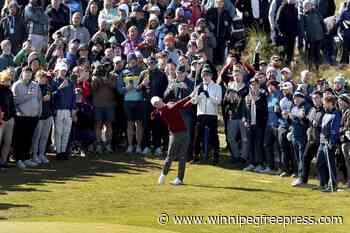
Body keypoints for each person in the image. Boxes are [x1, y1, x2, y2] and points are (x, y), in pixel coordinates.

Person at [153, 95, 192, 186]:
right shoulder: (162, 111)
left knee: (182, 157)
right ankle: (163, 175)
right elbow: (177, 105)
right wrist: (189, 97)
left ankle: (179, 179)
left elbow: (182, 106)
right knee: (170, 156)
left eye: (158, 101)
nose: (158, 104)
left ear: (161, 100)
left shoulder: (169, 104)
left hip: (184, 133)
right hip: (175, 135)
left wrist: (192, 101)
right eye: (156, 104)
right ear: (155, 106)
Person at [12, 66, 42, 169]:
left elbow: (39, 100)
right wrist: (27, 96)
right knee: (20, 139)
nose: (28, 74)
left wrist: (39, 113)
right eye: (26, 72)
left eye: (30, 73)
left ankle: (26, 158)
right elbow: (15, 102)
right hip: (21, 117)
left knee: (29, 139)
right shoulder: (16, 85)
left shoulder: (35, 85)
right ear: (22, 73)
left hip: (33, 117)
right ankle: (18, 159)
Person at [192, 65, 222, 165]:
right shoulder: (198, 87)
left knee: (214, 136)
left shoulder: (217, 87)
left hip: (212, 114)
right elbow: (193, 101)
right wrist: (199, 97)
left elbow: (218, 101)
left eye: (208, 75)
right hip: (200, 114)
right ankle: (195, 156)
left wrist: (209, 97)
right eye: (204, 75)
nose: (206, 77)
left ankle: (215, 157)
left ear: (211, 76)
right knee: (198, 135)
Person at [297, 90, 324, 185]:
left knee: (320, 163)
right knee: (305, 158)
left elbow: (324, 125)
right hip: (312, 139)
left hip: (320, 140)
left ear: (322, 98)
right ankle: (303, 180)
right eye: (313, 98)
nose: (315, 100)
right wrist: (303, 118)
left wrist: (317, 125)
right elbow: (308, 123)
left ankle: (323, 183)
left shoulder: (324, 110)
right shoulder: (312, 110)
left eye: (317, 97)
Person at [51, 61, 76, 160]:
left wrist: (73, 109)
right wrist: (60, 88)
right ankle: (58, 151)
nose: (63, 72)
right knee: (58, 131)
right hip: (58, 110)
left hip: (68, 110)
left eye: (64, 71)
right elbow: (52, 96)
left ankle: (63, 151)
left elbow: (73, 97)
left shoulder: (70, 82)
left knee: (66, 131)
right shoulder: (54, 82)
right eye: (61, 70)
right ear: (57, 71)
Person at [316, 95, 341, 192]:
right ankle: (323, 184)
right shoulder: (325, 114)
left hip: (329, 142)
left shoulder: (336, 114)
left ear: (330, 103)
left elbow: (334, 130)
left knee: (330, 165)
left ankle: (333, 185)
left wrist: (331, 142)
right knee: (319, 163)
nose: (323, 104)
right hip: (322, 142)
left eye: (324, 103)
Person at [31, 70, 52, 164]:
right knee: (36, 138)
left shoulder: (48, 87)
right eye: (41, 77)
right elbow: (32, 100)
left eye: (44, 77)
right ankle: (34, 155)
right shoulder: (34, 87)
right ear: (36, 78)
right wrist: (42, 99)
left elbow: (51, 99)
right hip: (38, 116)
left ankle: (41, 154)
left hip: (48, 115)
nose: (43, 79)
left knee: (44, 137)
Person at [205, 0, 232, 65]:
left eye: (221, 2)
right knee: (213, 52)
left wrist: (227, 24)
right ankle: (213, 66)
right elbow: (206, 20)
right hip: (212, 35)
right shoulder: (211, 11)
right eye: (218, 2)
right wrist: (210, 25)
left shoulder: (226, 12)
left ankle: (220, 67)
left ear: (223, 3)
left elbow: (229, 24)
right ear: (215, 3)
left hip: (222, 36)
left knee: (221, 52)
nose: (220, 3)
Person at [0, 69, 15, 169]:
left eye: (9, 80)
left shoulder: (9, 91)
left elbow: (12, 105)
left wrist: (12, 115)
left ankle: (3, 161)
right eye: (6, 80)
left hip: (10, 119)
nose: (8, 81)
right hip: (1, 120)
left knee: (7, 142)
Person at [338, 93, 350, 188]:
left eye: (341, 101)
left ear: (346, 102)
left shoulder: (348, 112)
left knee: (348, 163)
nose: (339, 102)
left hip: (347, 142)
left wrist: (339, 130)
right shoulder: (343, 111)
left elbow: (347, 127)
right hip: (344, 141)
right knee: (347, 163)